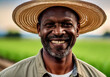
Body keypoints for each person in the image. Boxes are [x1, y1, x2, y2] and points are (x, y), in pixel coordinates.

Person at [0, 0, 106, 77]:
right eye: (50, 24)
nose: (58, 32)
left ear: (77, 30)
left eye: (66, 24)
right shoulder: (10, 75)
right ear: (39, 30)